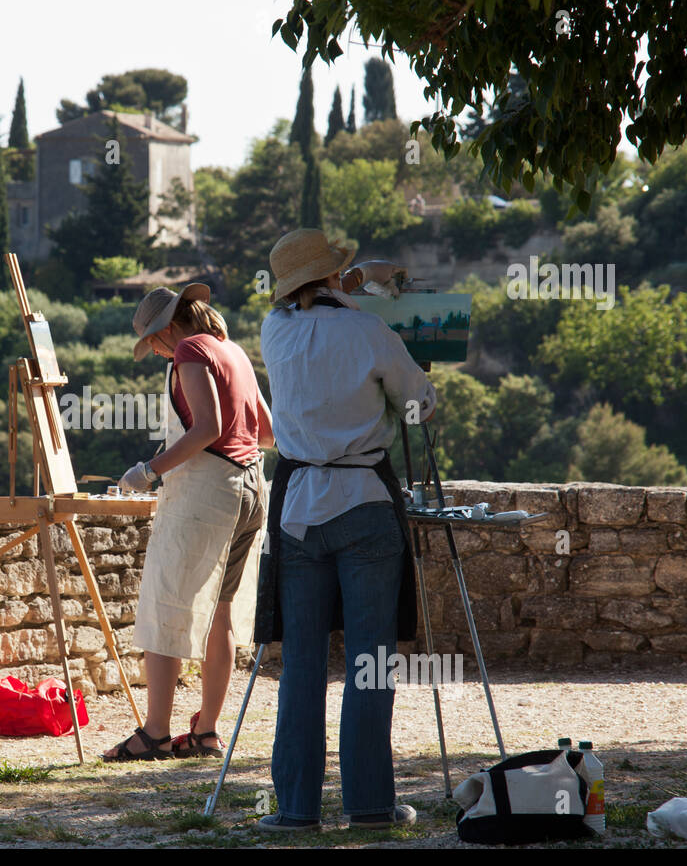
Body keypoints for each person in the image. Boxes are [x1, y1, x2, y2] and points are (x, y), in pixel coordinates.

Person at [254, 229, 437, 831]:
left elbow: (315, 305)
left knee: (301, 664)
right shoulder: (370, 332)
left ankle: (297, 809)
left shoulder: (274, 330)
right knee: (371, 662)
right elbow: (420, 403)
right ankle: (369, 806)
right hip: (363, 502)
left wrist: (346, 283)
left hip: (299, 508)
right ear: (334, 277)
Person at [102, 282, 274, 761]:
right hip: (252, 488)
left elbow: (207, 428)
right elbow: (266, 431)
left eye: (155, 343)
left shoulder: (190, 351)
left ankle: (155, 732)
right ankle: (206, 734)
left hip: (207, 495)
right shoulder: (232, 350)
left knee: (165, 605)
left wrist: (151, 469)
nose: (158, 353)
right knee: (220, 612)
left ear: (166, 331)